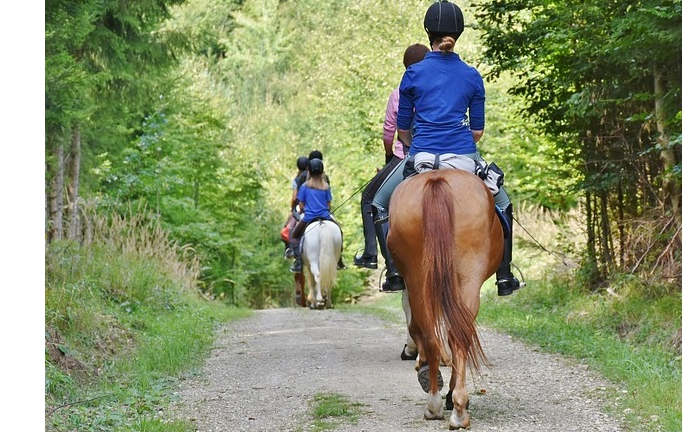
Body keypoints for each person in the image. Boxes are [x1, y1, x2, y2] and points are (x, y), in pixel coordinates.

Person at [371, 0, 523, 296]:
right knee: (503, 205)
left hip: (422, 155)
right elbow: (477, 131)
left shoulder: (413, 73)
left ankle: (393, 272)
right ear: (459, 33)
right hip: (463, 156)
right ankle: (504, 276)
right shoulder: (471, 75)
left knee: (378, 202)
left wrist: (417, 146)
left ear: (428, 32)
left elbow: (403, 129)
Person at [353, 44, 430, 292]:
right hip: (447, 153)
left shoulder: (399, 93)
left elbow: (391, 132)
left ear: (406, 67)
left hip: (407, 156)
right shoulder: (437, 89)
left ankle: (381, 261)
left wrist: (390, 154)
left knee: (371, 200)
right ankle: (503, 271)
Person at [289, 158, 343, 273]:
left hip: (309, 217)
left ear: (309, 171)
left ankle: (298, 262)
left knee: (294, 236)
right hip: (326, 216)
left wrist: (306, 210)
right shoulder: (326, 186)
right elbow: (329, 206)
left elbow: (301, 205)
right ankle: (339, 260)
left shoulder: (304, 186)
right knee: (339, 232)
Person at [283, 155, 310, 259]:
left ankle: (290, 250)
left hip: (301, 207)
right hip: (317, 207)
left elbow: (294, 198)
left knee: (289, 228)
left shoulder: (297, 180)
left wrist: (293, 209)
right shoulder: (314, 178)